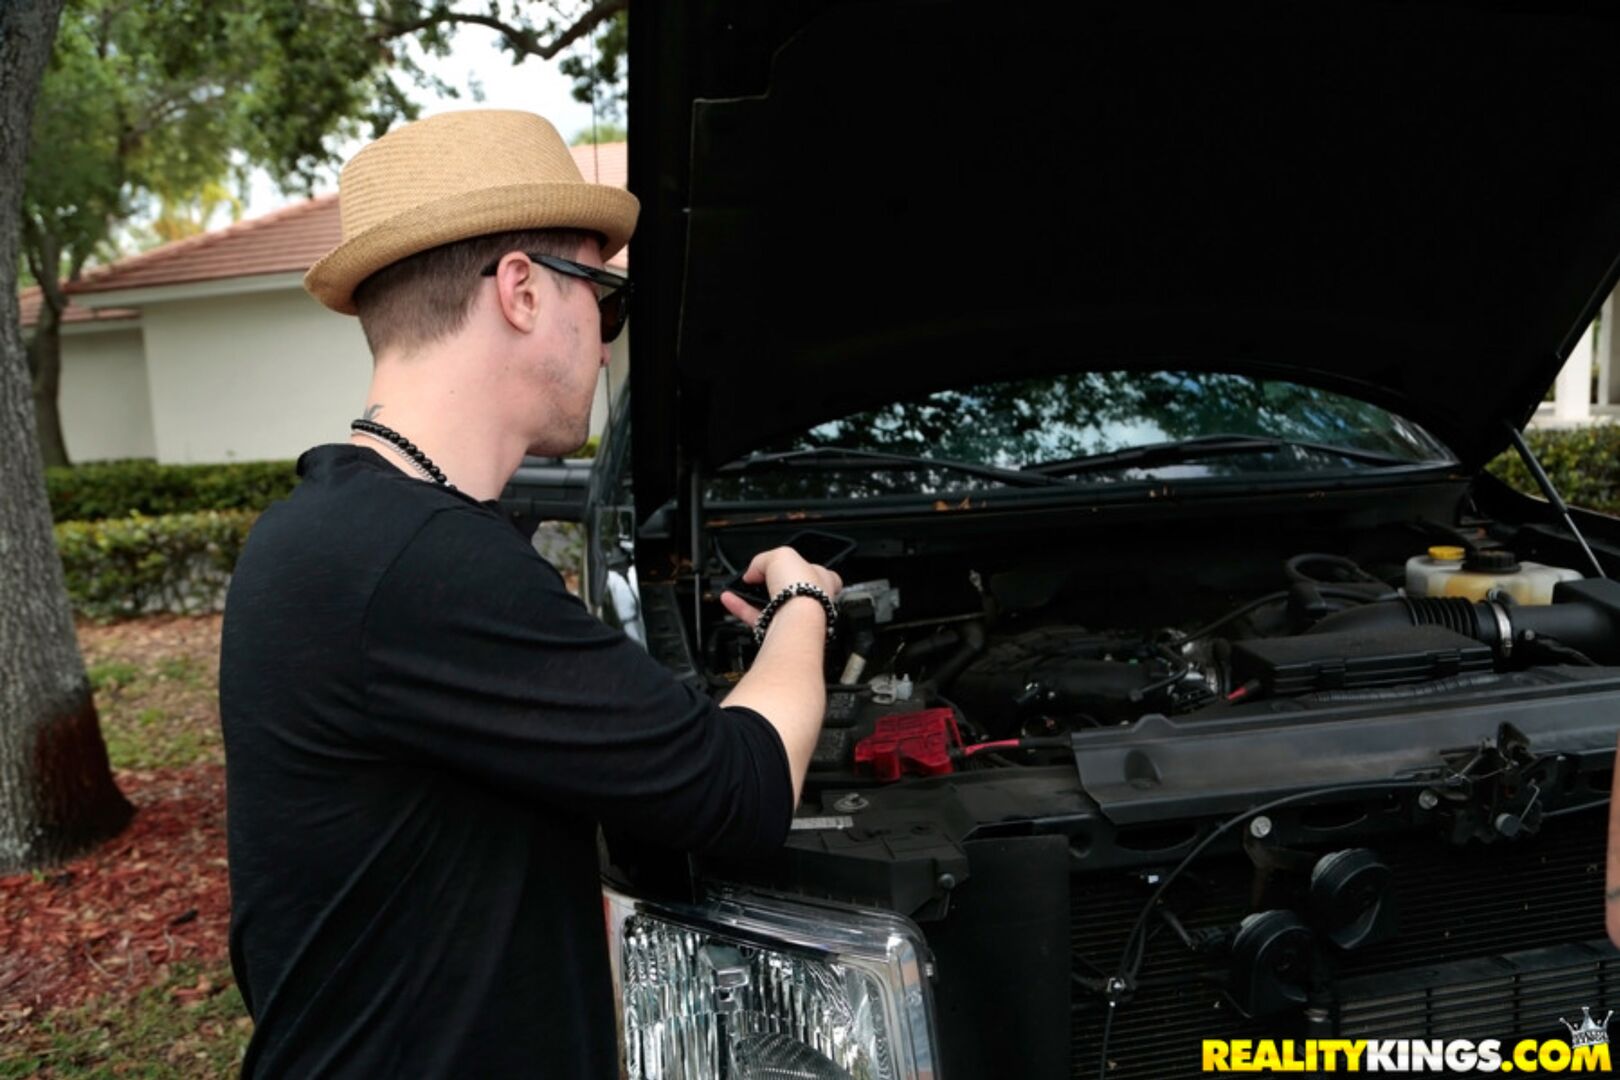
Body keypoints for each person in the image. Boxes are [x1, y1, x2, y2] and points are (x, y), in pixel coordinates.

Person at [218, 110, 840, 1078]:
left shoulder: (327, 531)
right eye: (606, 301)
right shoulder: (423, 561)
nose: (606, 344)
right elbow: (741, 789)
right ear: (521, 290)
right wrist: (805, 603)